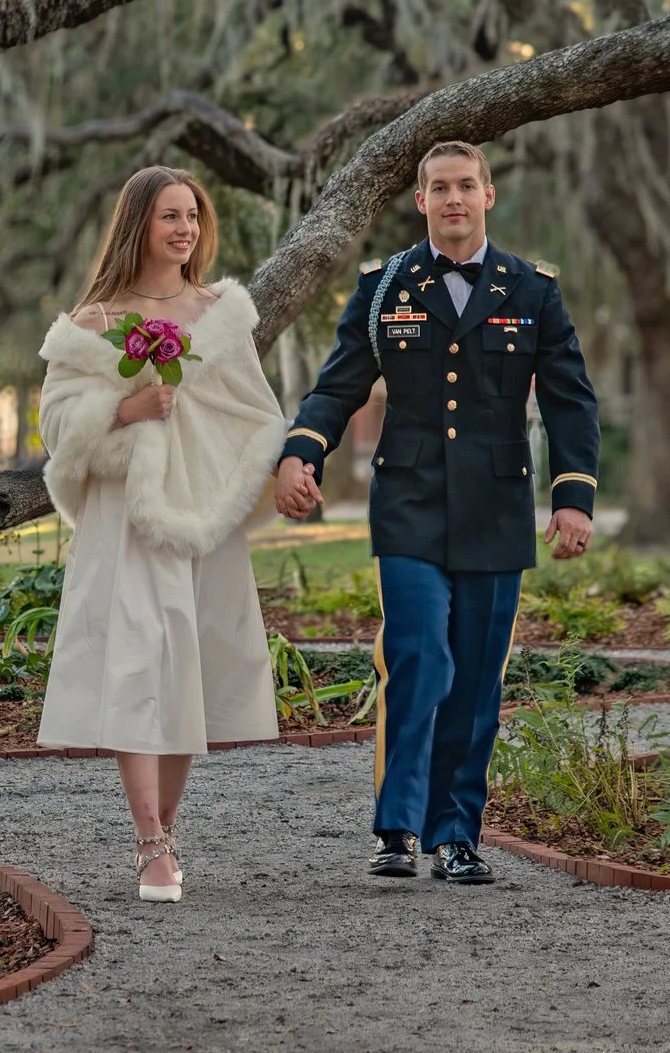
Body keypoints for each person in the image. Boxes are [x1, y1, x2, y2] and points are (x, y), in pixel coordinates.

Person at [272, 140, 598, 885]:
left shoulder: (532, 290)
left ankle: (457, 834)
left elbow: (570, 400)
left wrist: (572, 497)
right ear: (420, 202)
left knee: (479, 673)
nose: (454, 199)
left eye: (466, 186)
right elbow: (339, 384)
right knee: (419, 657)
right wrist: (301, 453)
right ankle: (397, 828)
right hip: (410, 503)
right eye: (439, 188)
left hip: (496, 507)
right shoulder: (387, 286)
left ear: (489, 195)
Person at [36, 165, 291, 903]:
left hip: (200, 516)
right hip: (124, 521)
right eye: (169, 217)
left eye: (192, 217)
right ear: (138, 225)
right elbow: (57, 426)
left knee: (192, 671)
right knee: (138, 665)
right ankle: (148, 840)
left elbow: (254, 412)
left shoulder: (221, 316)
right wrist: (122, 414)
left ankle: (166, 832)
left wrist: (282, 473)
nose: (184, 230)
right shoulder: (90, 321)